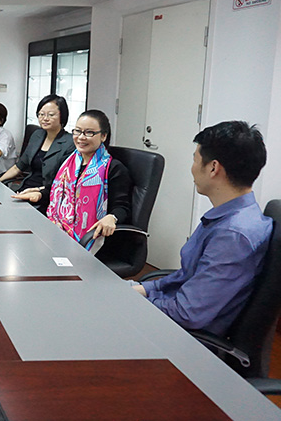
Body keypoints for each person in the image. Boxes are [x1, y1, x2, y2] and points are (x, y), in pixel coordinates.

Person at [133, 121, 272, 335]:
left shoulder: (233, 235)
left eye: (195, 160)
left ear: (213, 168)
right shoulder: (227, 216)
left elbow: (186, 313)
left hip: (182, 336)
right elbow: (186, 276)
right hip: (170, 312)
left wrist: (133, 301)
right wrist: (143, 289)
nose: (192, 168)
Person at [44, 110, 132, 248]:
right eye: (77, 131)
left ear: (103, 136)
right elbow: (57, 192)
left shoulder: (113, 168)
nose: (81, 137)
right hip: (57, 228)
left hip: (93, 237)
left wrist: (112, 217)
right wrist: (39, 193)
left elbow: (122, 207)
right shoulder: (67, 162)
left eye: (89, 133)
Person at [0, 94, 76, 214]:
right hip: (25, 189)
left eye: (51, 115)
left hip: (46, 195)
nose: (45, 118)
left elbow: (63, 182)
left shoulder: (70, 142)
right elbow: (18, 167)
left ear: (62, 116)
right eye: (41, 114)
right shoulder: (37, 135)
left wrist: (38, 191)